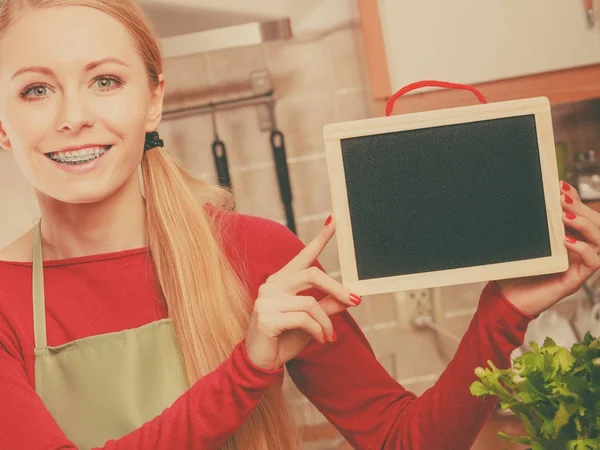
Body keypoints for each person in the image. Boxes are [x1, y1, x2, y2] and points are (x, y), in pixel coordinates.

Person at [0, 1, 598, 449]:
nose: (74, 117)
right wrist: (247, 370)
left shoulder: (258, 255)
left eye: (105, 81)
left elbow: (401, 439)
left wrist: (505, 312)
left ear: (154, 99)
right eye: (35, 90)